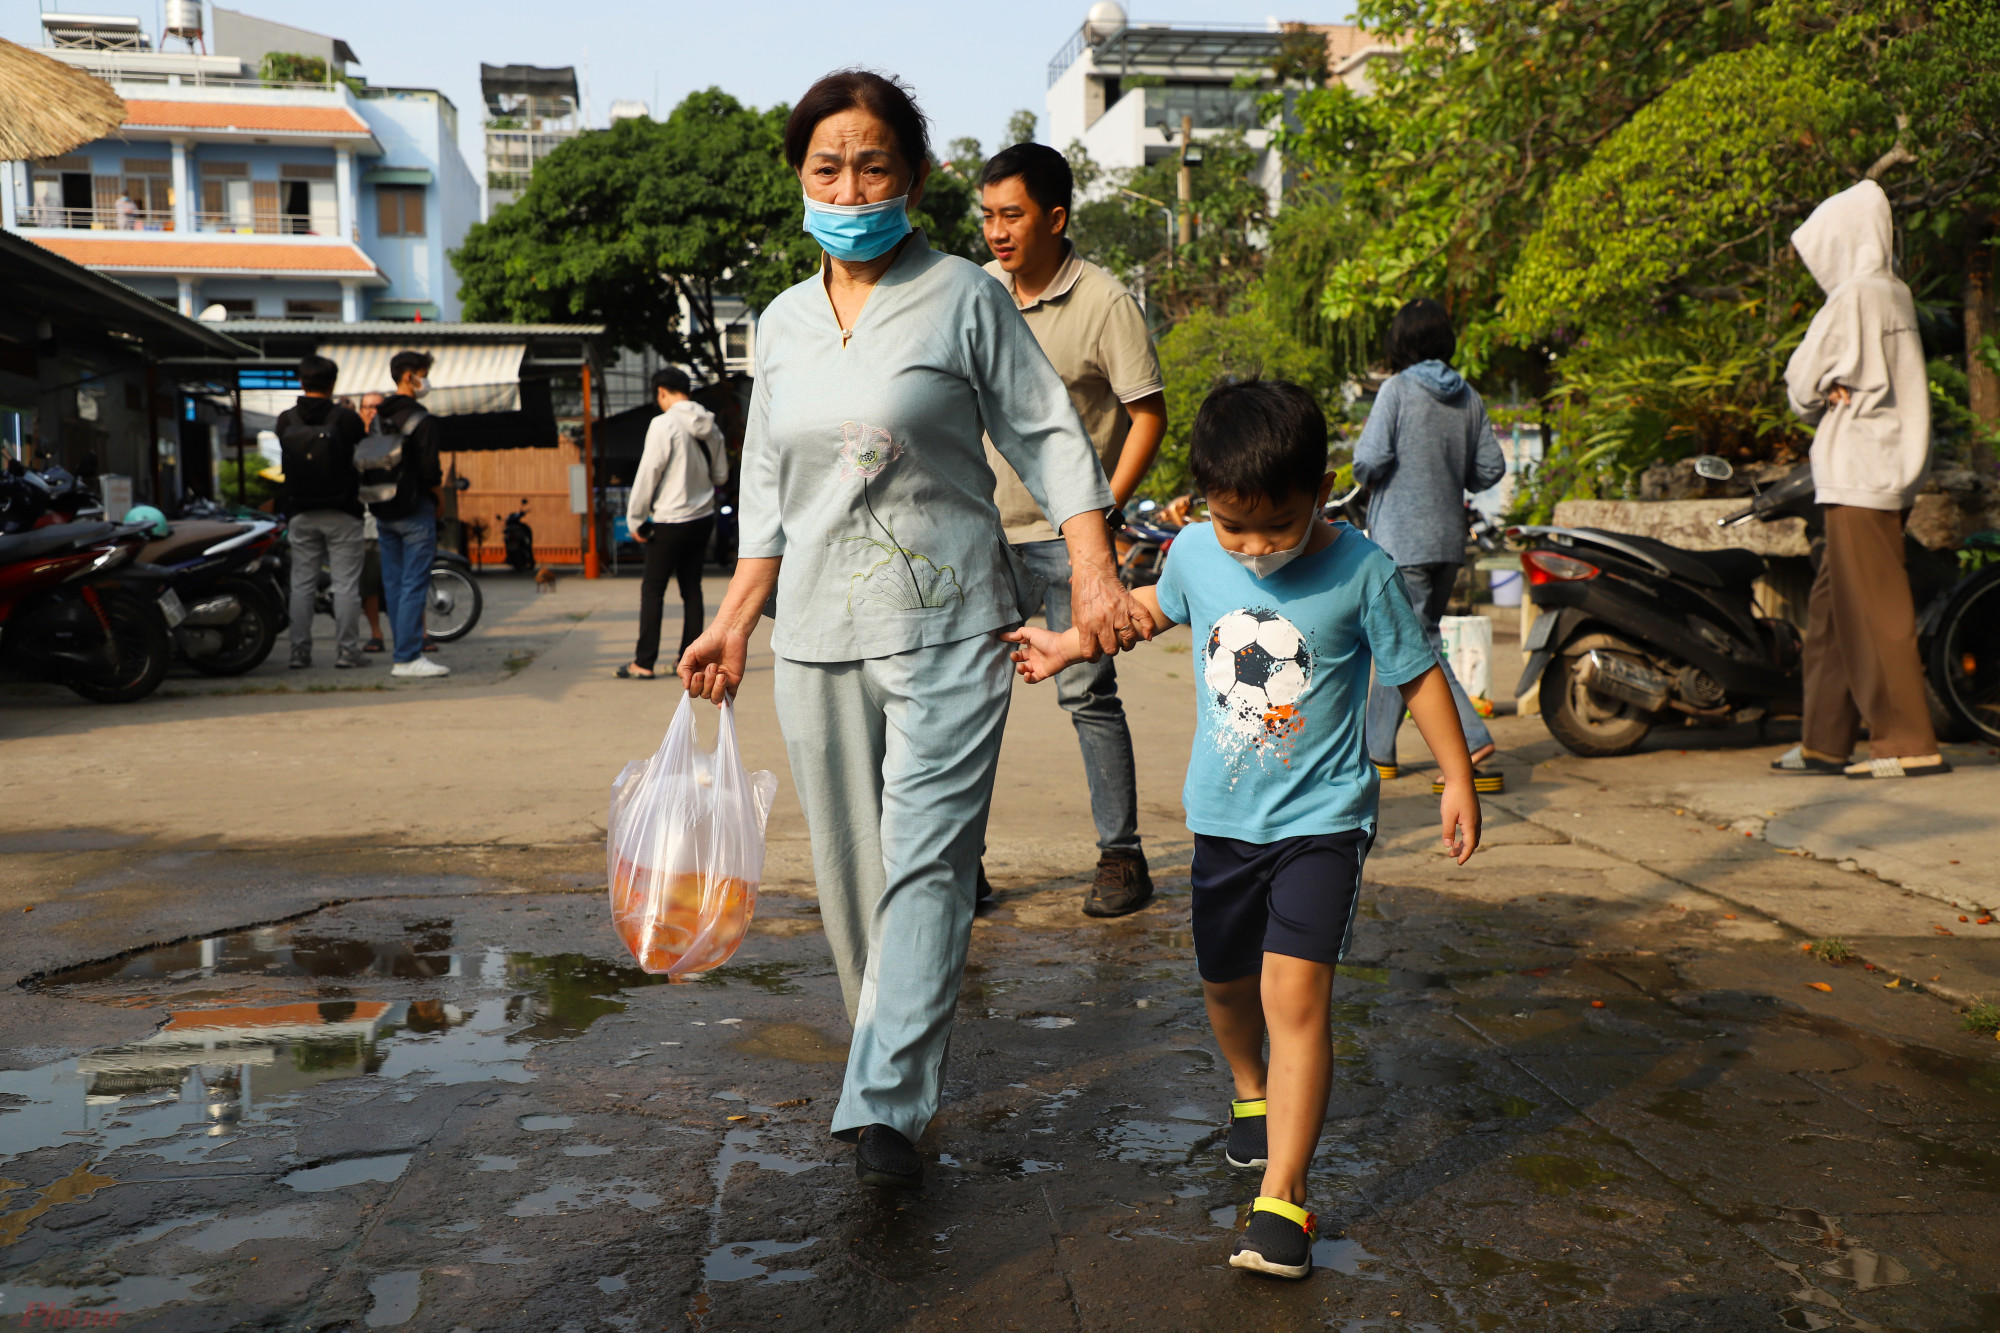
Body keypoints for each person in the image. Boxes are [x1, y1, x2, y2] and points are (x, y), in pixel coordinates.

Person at [678, 69, 1149, 1192]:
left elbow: (1046, 436)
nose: (848, 185)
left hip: (949, 624)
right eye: (826, 167)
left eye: (872, 164)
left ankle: (885, 1102)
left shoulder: (961, 296)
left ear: (915, 176)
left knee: (930, 862)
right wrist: (734, 617)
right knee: (852, 868)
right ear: (799, 176)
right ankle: (884, 1054)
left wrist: (1091, 569)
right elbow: (766, 488)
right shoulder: (781, 322)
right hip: (815, 630)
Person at [1005, 380, 1481, 1281]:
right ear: (1204, 505)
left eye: (1279, 525)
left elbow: (1417, 675)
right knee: (1225, 982)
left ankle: (1284, 1200)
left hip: (1323, 825)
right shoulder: (1192, 552)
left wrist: (1456, 775)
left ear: (1323, 488)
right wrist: (1071, 643)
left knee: (1294, 1001)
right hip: (1221, 824)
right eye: (1235, 527)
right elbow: (1148, 612)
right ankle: (1249, 1092)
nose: (1256, 549)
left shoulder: (1362, 569)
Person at [978, 141, 1168, 917]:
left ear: (1055, 217)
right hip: (983, 536)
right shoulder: (977, 294)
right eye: (987, 216)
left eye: (1012, 215)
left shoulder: (1103, 301)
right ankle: (962, 863)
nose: (997, 231)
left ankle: (1121, 855)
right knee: (966, 699)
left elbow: (1147, 413)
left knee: (1089, 691)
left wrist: (1104, 512)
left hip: (1068, 539)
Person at [1778, 180, 1949, 779]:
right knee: (1830, 614)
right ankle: (1825, 741)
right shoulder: (1895, 294)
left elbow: (1801, 383)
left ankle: (1907, 743)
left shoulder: (1853, 298)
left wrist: (1822, 391)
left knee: (1875, 614)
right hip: (1887, 471)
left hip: (1857, 473)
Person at [1352, 299, 1506, 792]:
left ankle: (1472, 737)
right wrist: (1447, 469)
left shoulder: (1396, 389)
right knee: (1401, 639)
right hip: (1448, 540)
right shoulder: (1469, 397)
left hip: (1403, 538)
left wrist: (1380, 476)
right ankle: (1377, 752)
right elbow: (1491, 469)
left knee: (1417, 644)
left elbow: (1369, 459)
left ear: (1400, 341)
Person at [620, 368, 729, 679]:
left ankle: (643, 663)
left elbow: (649, 473)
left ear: (662, 392)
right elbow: (720, 476)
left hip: (669, 520)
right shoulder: (711, 427)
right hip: (702, 518)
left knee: (653, 590)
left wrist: (636, 519)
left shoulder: (663, 424)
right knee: (691, 589)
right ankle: (688, 660)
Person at [274, 355, 368, 670]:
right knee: (345, 585)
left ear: (302, 382)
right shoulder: (348, 420)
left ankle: (299, 653)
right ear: (333, 384)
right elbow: (363, 458)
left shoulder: (285, 421)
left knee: (301, 584)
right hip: (343, 511)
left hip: (300, 509)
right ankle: (347, 652)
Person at [368, 352, 448, 679]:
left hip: (383, 508)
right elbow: (431, 473)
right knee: (415, 583)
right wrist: (439, 501)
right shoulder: (421, 419)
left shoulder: (377, 416)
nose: (425, 381)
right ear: (408, 377)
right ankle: (407, 657)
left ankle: (403, 655)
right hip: (415, 510)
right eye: (423, 374)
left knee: (395, 584)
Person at [354, 393, 389, 653]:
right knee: (369, 584)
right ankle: (376, 633)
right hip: (366, 523)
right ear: (360, 411)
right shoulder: (354, 443)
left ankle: (419, 634)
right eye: (367, 407)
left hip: (395, 518)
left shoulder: (394, 440)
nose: (372, 411)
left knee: (405, 581)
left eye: (377, 407)